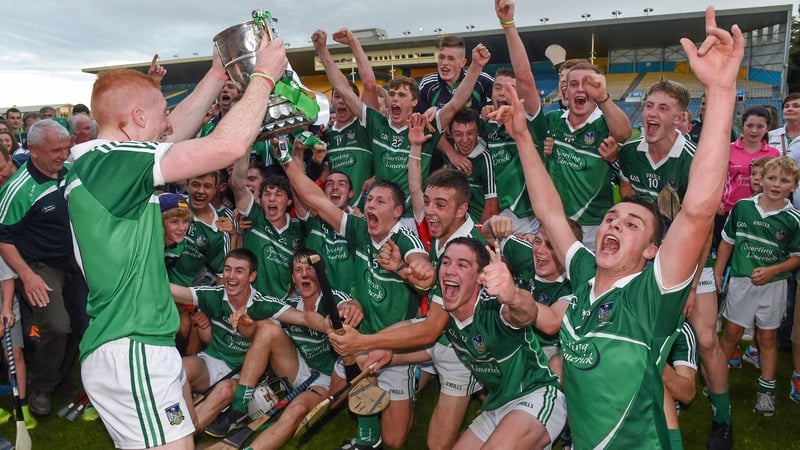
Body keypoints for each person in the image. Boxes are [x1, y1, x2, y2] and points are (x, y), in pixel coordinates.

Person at [493, 8, 743, 446]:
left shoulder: (650, 295)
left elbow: (698, 212)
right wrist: (522, 138)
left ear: (650, 250)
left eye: (631, 223)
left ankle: (721, 415)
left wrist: (721, 92)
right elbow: (551, 213)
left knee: (705, 339)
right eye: (612, 217)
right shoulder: (585, 274)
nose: (613, 223)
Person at [64, 32, 288, 449]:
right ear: (137, 117)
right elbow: (227, 146)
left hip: (136, 344)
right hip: (132, 345)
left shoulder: (104, 164)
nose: (169, 123)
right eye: (162, 113)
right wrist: (264, 76)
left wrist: (217, 74)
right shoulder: (112, 163)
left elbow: (171, 136)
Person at [280, 140, 433, 448]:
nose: (371, 205)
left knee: (395, 441)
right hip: (360, 340)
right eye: (370, 199)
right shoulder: (360, 229)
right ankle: (367, 437)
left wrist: (409, 267)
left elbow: (422, 268)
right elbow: (316, 199)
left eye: (380, 201)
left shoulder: (403, 238)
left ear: (397, 211)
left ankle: (410, 385)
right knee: (337, 400)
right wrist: (286, 159)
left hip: (393, 345)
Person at [312, 28, 491, 225]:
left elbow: (456, 103)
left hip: (412, 218)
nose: (395, 99)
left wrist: (476, 66)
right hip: (380, 216)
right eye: (393, 94)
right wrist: (322, 49)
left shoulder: (424, 127)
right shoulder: (376, 123)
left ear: (414, 102)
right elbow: (343, 89)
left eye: (402, 95)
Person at [169, 249, 352, 436]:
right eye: (228, 269)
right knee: (177, 370)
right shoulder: (214, 295)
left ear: (252, 276)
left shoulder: (263, 304)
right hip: (209, 363)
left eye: (239, 271)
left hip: (240, 375)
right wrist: (152, 279)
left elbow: (304, 318)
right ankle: (173, 421)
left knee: (222, 391)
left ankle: (180, 436)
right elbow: (174, 292)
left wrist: (329, 326)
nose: (231, 277)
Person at [432, 237, 566, 449]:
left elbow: (525, 314)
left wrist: (512, 296)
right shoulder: (444, 312)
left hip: (536, 394)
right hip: (498, 404)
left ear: (480, 277)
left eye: (462, 265)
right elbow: (424, 336)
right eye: (446, 262)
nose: (449, 270)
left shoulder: (494, 308)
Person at [0, 119, 88, 417]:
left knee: (83, 321)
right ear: (33, 150)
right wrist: (27, 275)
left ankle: (61, 376)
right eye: (55, 150)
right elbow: (3, 237)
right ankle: (43, 387)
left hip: (73, 262)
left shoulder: (69, 171)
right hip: (39, 267)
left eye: (65, 148)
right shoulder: (18, 189)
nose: (63, 155)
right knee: (57, 325)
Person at [242, 249, 363, 450]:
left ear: (322, 273)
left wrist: (352, 306)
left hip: (329, 379)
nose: (304, 274)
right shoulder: (290, 304)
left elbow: (348, 304)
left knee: (297, 409)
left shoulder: (333, 299)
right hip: (301, 369)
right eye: (298, 270)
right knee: (266, 328)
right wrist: (245, 322)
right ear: (293, 277)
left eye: (310, 269)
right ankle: (239, 403)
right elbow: (262, 331)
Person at [715, 156, 800, 417]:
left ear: (794, 186)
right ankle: (717, 382)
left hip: (773, 286)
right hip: (741, 282)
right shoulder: (742, 207)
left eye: (784, 180)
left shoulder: (794, 219)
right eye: (771, 178)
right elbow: (727, 241)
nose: (776, 184)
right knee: (731, 333)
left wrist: (773, 270)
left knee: (767, 338)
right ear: (760, 179)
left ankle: (766, 391)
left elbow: (796, 257)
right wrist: (718, 272)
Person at [415, 35, 494, 115]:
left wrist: (491, 107)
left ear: (462, 63)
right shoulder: (427, 84)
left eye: (451, 58)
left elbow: (501, 100)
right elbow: (416, 115)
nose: (444, 63)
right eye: (441, 57)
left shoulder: (480, 79)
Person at [662, 321, 698, 450]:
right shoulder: (616, 319)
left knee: (657, 383)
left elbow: (687, 394)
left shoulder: (680, 329)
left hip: (661, 404)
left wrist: (657, 361)